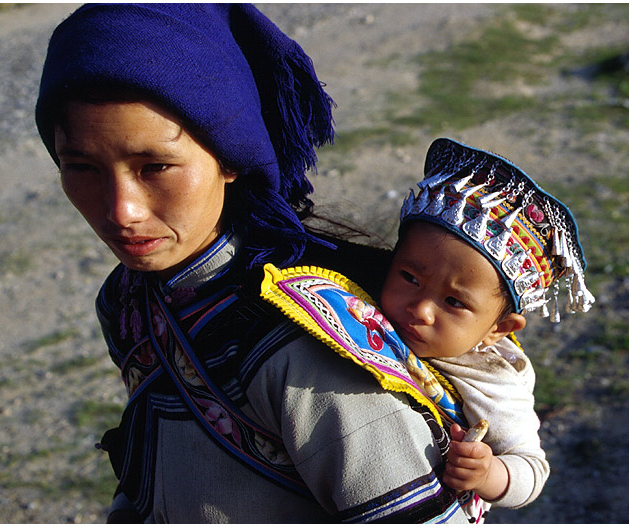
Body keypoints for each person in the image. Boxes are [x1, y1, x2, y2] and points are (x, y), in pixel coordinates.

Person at [35, 4, 470, 523]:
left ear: (230, 158)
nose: (120, 211)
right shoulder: (129, 298)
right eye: (80, 166)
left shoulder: (306, 342)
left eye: (155, 166)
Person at [261, 138, 595, 523]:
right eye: (408, 276)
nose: (420, 308)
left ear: (498, 329)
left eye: (453, 302)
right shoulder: (357, 296)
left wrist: (490, 473)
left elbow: (533, 471)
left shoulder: (494, 382)